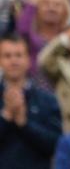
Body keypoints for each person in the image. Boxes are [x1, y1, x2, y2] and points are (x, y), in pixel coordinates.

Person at [0, 33, 63, 169]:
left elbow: (55, 145)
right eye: (7, 56)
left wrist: (24, 124)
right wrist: (5, 116)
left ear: (28, 59)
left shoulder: (47, 100)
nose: (13, 61)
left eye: (18, 55)